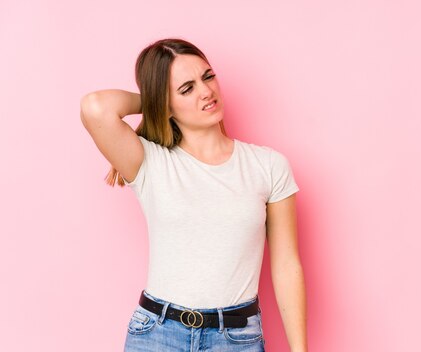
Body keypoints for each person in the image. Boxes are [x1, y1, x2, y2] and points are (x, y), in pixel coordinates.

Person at [80, 38, 308, 352]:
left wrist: (299, 349)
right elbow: (95, 107)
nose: (205, 91)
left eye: (208, 76)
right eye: (186, 89)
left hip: (236, 339)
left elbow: (286, 264)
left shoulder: (268, 165)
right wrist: (157, 101)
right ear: (164, 102)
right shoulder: (151, 162)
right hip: (157, 335)